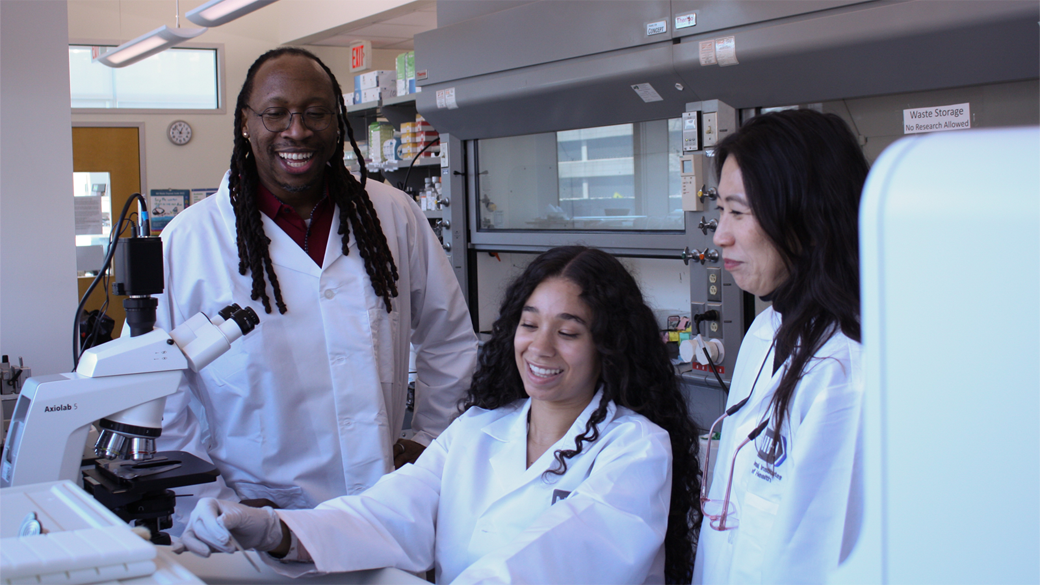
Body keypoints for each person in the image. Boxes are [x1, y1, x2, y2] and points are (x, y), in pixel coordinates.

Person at [176, 246, 702, 585]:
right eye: (529, 324)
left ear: (608, 346)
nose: (540, 348)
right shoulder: (479, 430)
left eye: (568, 332)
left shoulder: (635, 448)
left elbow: (554, 561)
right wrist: (274, 529)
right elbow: (389, 513)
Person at [153, 47, 477, 528]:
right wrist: (211, 503)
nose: (297, 131)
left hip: (383, 506)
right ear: (246, 122)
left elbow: (448, 338)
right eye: (276, 113)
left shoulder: (391, 214)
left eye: (315, 113)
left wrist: (431, 441)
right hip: (252, 516)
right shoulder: (190, 240)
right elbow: (161, 393)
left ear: (338, 120)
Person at [692, 109, 868, 584]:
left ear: (807, 220)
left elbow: (818, 561)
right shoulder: (767, 329)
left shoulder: (845, 374)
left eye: (739, 212)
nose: (720, 234)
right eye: (720, 211)